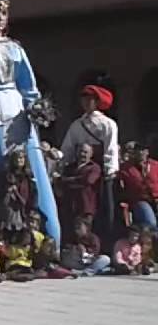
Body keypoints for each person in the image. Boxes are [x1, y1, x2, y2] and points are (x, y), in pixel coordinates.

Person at [0, 0, 59, 243]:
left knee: (27, 163)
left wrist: (35, 108)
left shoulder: (15, 48)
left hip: (17, 108)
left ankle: (40, 230)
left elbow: (27, 83)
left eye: (3, 14)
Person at [60, 84, 120, 239]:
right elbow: (67, 148)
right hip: (81, 169)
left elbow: (111, 148)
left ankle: (104, 239)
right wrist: (61, 164)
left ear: (97, 101)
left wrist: (109, 171)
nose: (86, 103)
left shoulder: (108, 124)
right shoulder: (76, 125)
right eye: (83, 99)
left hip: (101, 170)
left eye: (90, 99)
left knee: (105, 206)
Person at [119, 142, 158, 229]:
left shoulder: (155, 165)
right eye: (138, 150)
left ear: (147, 152)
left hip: (156, 198)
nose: (141, 153)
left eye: (143, 150)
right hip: (140, 201)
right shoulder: (126, 168)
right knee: (151, 222)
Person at [60, 144, 102, 224]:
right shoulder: (69, 167)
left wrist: (70, 180)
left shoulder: (94, 167)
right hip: (69, 206)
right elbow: (62, 181)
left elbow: (89, 180)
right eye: (80, 151)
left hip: (85, 208)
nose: (82, 154)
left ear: (91, 154)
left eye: (85, 152)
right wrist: (78, 181)